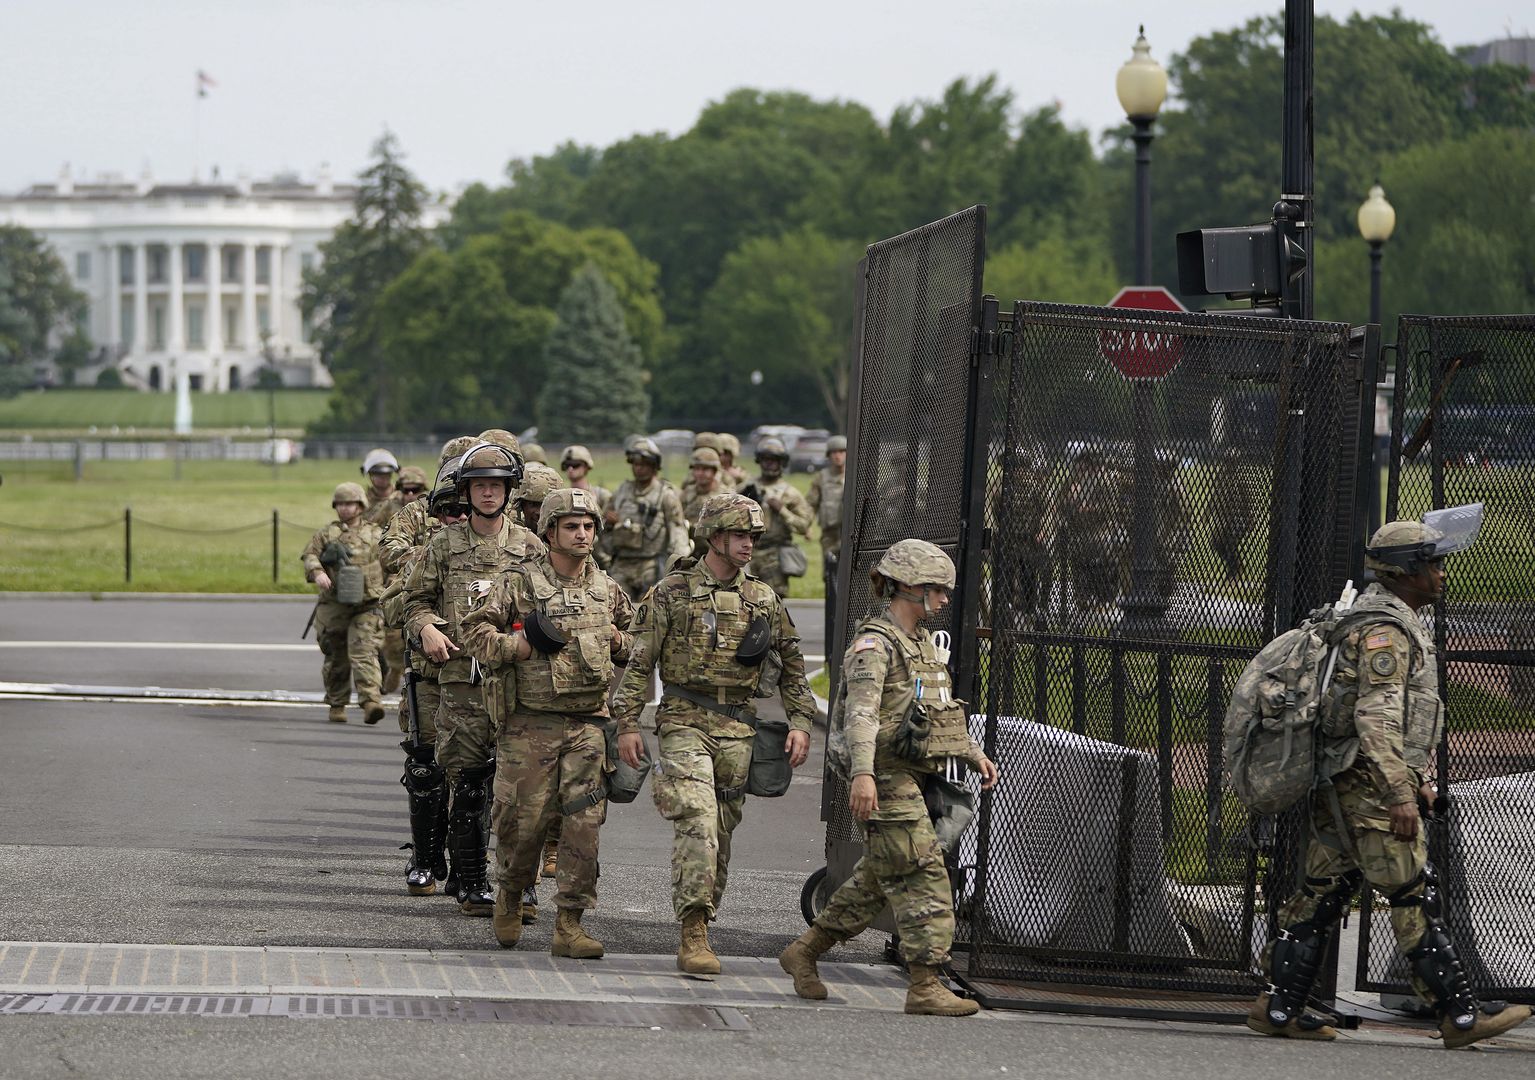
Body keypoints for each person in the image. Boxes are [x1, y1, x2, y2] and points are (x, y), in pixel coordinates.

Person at [1247, 517, 1530, 1048]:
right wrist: (1399, 792)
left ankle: (1278, 1007)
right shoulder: (1386, 631)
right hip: (1365, 786)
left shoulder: (1373, 619)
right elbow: (1377, 718)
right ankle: (1459, 1014)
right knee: (1411, 888)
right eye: (1433, 563)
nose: (1442, 572)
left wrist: (1411, 778)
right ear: (1406, 571)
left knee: (1322, 892)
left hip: (1342, 779)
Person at [779, 539, 999, 1016]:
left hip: (915, 774)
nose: (944, 600)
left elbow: (936, 709)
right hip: (883, 775)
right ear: (909, 587)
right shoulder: (875, 645)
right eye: (936, 590)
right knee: (925, 874)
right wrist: (862, 776)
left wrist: (970, 750)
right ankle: (925, 984)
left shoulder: (919, 642)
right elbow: (861, 716)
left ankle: (806, 951)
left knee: (879, 876)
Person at [612, 493, 818, 975]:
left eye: (753, 537)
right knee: (699, 822)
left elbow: (792, 666)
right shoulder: (671, 592)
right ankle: (693, 931)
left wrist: (802, 722)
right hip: (684, 719)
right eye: (741, 535)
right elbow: (639, 664)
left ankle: (706, 916)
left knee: (721, 834)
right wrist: (627, 722)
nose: (749, 544)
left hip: (739, 729)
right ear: (715, 537)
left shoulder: (763, 598)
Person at [462, 488, 634, 954]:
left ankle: (570, 925)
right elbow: (473, 631)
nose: (582, 534)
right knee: (523, 826)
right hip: (529, 725)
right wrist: (515, 647)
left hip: (588, 726)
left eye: (588, 526)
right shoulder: (518, 583)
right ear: (551, 532)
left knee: (583, 828)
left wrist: (619, 641)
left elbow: (637, 642)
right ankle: (511, 895)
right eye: (571, 526)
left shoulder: (606, 587)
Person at [403, 442, 545, 916]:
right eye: (480, 485)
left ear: (509, 491)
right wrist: (425, 628)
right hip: (461, 682)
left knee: (518, 787)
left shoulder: (530, 546)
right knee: (467, 783)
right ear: (466, 492)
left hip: (517, 683)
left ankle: (517, 882)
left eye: (497, 486)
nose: (489, 494)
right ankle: (471, 883)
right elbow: (413, 601)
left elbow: (549, 606)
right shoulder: (442, 545)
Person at [379, 438, 474, 897]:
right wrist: (438, 553)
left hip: (478, 672)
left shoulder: (499, 528)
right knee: (425, 766)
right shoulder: (420, 515)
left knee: (474, 772)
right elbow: (394, 591)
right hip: (428, 669)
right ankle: (425, 858)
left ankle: (466, 866)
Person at [300, 482, 387, 724]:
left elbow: (392, 561)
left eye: (350, 504)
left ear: (360, 505)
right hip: (334, 603)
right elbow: (310, 555)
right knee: (336, 654)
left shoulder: (377, 533)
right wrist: (318, 572)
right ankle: (337, 703)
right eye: (340, 504)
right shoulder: (327, 534)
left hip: (368, 603)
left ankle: (371, 701)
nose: (345, 509)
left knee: (364, 651)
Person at [369, 465, 430, 694]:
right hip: (397, 576)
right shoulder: (390, 508)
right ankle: (395, 667)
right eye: (406, 489)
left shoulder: (432, 509)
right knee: (393, 634)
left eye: (416, 490)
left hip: (427, 576)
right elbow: (372, 533)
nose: (410, 495)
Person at [605, 437, 689, 603]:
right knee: (616, 608)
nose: (638, 469)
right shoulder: (622, 491)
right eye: (635, 464)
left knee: (649, 612)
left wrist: (677, 567)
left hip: (651, 565)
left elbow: (677, 530)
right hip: (622, 564)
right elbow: (603, 524)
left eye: (643, 464)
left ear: (654, 466)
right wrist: (609, 521)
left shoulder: (665, 495)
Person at [742, 436, 812, 599]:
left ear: (782, 462)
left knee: (773, 605)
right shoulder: (746, 487)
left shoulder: (790, 493)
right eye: (766, 459)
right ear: (759, 461)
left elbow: (803, 525)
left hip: (775, 559)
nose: (769, 464)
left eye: (774, 460)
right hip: (746, 554)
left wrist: (782, 510)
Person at [681, 447, 725, 525]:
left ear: (714, 471)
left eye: (705, 469)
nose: (700, 473)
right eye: (697, 469)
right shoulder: (687, 492)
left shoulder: (725, 496)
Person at [359, 448, 400, 520]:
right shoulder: (362, 501)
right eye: (377, 474)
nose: (382, 477)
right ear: (369, 475)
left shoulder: (402, 498)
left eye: (386, 474)